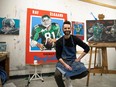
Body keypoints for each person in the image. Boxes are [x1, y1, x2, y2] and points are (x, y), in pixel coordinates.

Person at [54, 20, 90, 87]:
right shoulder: (59, 41)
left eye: (68, 28)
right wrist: (65, 65)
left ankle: (69, 76)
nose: (67, 30)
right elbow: (58, 56)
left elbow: (87, 48)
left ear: (71, 29)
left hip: (73, 61)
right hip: (63, 61)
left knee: (85, 72)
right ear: (62, 29)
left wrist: (79, 58)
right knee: (57, 75)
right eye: (65, 28)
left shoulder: (75, 39)